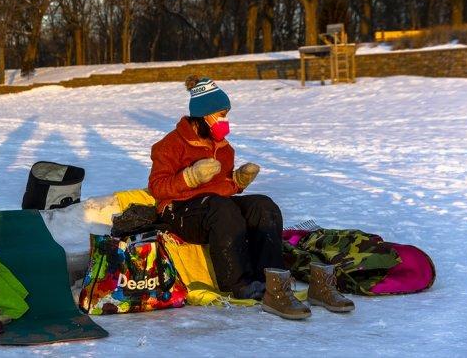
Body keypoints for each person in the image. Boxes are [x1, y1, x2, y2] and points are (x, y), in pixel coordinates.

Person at [148, 76, 353, 320]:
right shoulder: (170, 145)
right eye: (221, 114)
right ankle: (239, 284)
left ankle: (273, 279)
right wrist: (190, 177)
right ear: (203, 116)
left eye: (226, 114)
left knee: (263, 205)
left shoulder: (225, 149)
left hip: (213, 207)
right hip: (179, 211)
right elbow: (157, 187)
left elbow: (221, 189)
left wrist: (236, 182)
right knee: (222, 210)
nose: (225, 121)